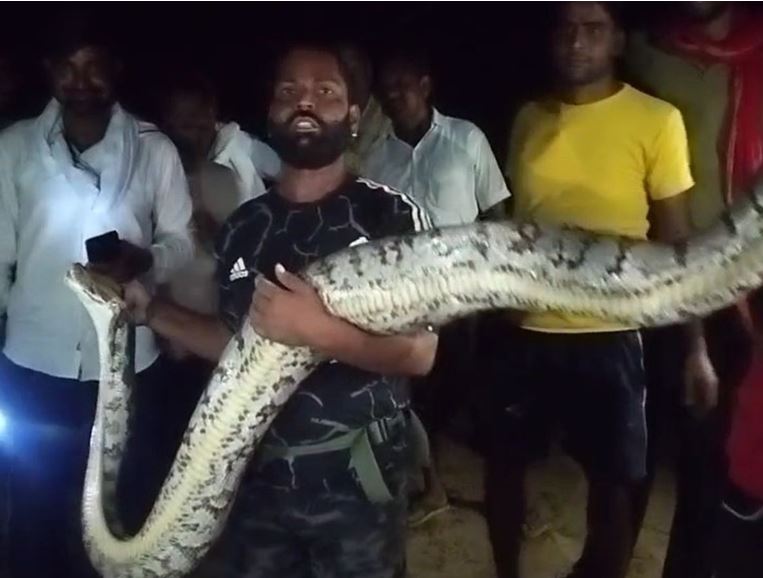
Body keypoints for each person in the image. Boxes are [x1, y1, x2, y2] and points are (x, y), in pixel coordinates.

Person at [121, 42, 437, 578]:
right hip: (259, 483)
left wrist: (316, 329)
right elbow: (236, 343)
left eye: (325, 92)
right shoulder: (246, 227)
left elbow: (420, 353)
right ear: (270, 112)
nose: (304, 103)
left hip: (359, 483)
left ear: (353, 116)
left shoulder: (389, 215)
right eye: (289, 91)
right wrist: (150, 310)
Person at [489, 3, 717, 578]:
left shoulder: (656, 119)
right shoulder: (528, 117)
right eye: (566, 28)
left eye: (593, 29)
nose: (576, 41)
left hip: (611, 332)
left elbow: (677, 239)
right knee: (504, 466)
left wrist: (695, 348)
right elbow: (519, 222)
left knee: (614, 486)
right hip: (527, 327)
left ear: (617, 41)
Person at [0, 22, 193, 578]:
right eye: (67, 66)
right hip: (35, 362)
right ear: (49, 72)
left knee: (119, 512)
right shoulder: (13, 148)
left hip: (128, 364)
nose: (80, 80)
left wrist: (145, 259)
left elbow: (182, 241)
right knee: (33, 509)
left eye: (93, 65)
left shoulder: (154, 149)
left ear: (116, 70)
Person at [626, 4, 763, 576]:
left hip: (735, 289)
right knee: (634, 455)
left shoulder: (756, 57)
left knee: (709, 465)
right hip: (646, 281)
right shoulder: (642, 53)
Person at [365, 47, 511, 526]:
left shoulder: (466, 139)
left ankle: (480, 485)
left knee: (465, 387)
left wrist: (500, 282)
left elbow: (496, 212)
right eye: (386, 88)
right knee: (417, 395)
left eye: (402, 84)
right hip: (406, 299)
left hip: (465, 293)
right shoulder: (376, 158)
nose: (393, 94)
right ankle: (432, 486)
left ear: (425, 86)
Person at [160, 69, 281, 201]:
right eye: (186, 125)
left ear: (211, 112)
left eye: (198, 115)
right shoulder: (165, 167)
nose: (197, 126)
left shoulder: (245, 145)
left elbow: (287, 173)